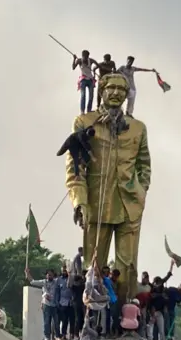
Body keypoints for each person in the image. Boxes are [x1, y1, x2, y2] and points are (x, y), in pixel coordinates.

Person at [65, 72, 152, 304]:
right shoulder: (84, 122)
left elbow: (145, 165)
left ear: (126, 95)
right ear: (101, 91)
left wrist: (140, 191)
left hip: (129, 205)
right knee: (94, 267)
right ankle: (93, 316)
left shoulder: (138, 128)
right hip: (96, 203)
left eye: (121, 90)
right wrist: (79, 201)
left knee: (128, 267)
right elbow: (76, 168)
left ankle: (123, 315)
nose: (115, 93)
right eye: (110, 88)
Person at [26, 268, 61, 340]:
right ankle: (47, 336)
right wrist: (27, 273)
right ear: (46, 276)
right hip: (46, 304)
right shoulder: (43, 282)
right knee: (46, 321)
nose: (49, 276)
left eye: (51, 275)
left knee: (56, 322)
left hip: (54, 305)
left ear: (53, 276)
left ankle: (57, 336)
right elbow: (32, 282)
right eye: (48, 275)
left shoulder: (56, 282)